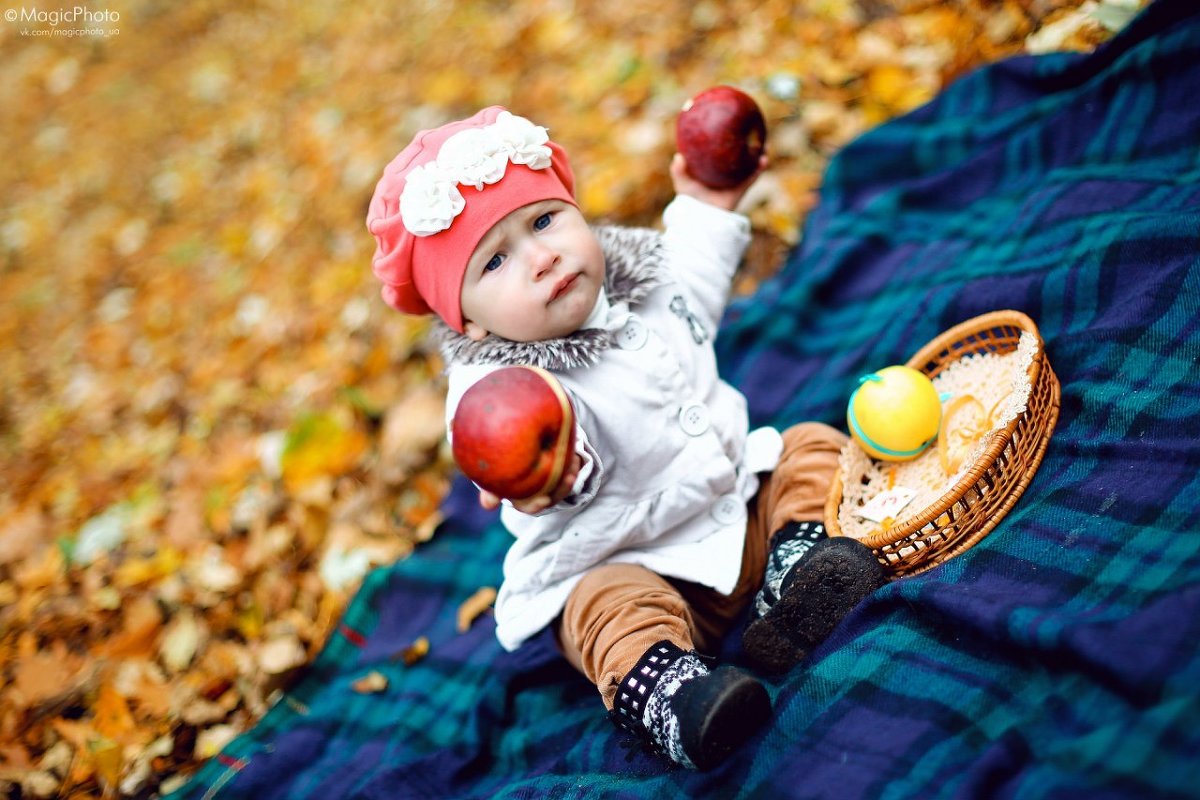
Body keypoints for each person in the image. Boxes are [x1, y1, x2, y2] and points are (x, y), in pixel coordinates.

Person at [366, 106, 885, 771]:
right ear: (468, 322)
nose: (541, 256)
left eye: (545, 220)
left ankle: (798, 570)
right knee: (599, 607)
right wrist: (539, 476)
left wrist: (707, 201)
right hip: (638, 564)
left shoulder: (641, 279)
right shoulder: (496, 389)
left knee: (807, 447)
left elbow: (692, 271)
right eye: (495, 260)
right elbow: (540, 450)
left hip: (736, 513)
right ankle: (672, 693)